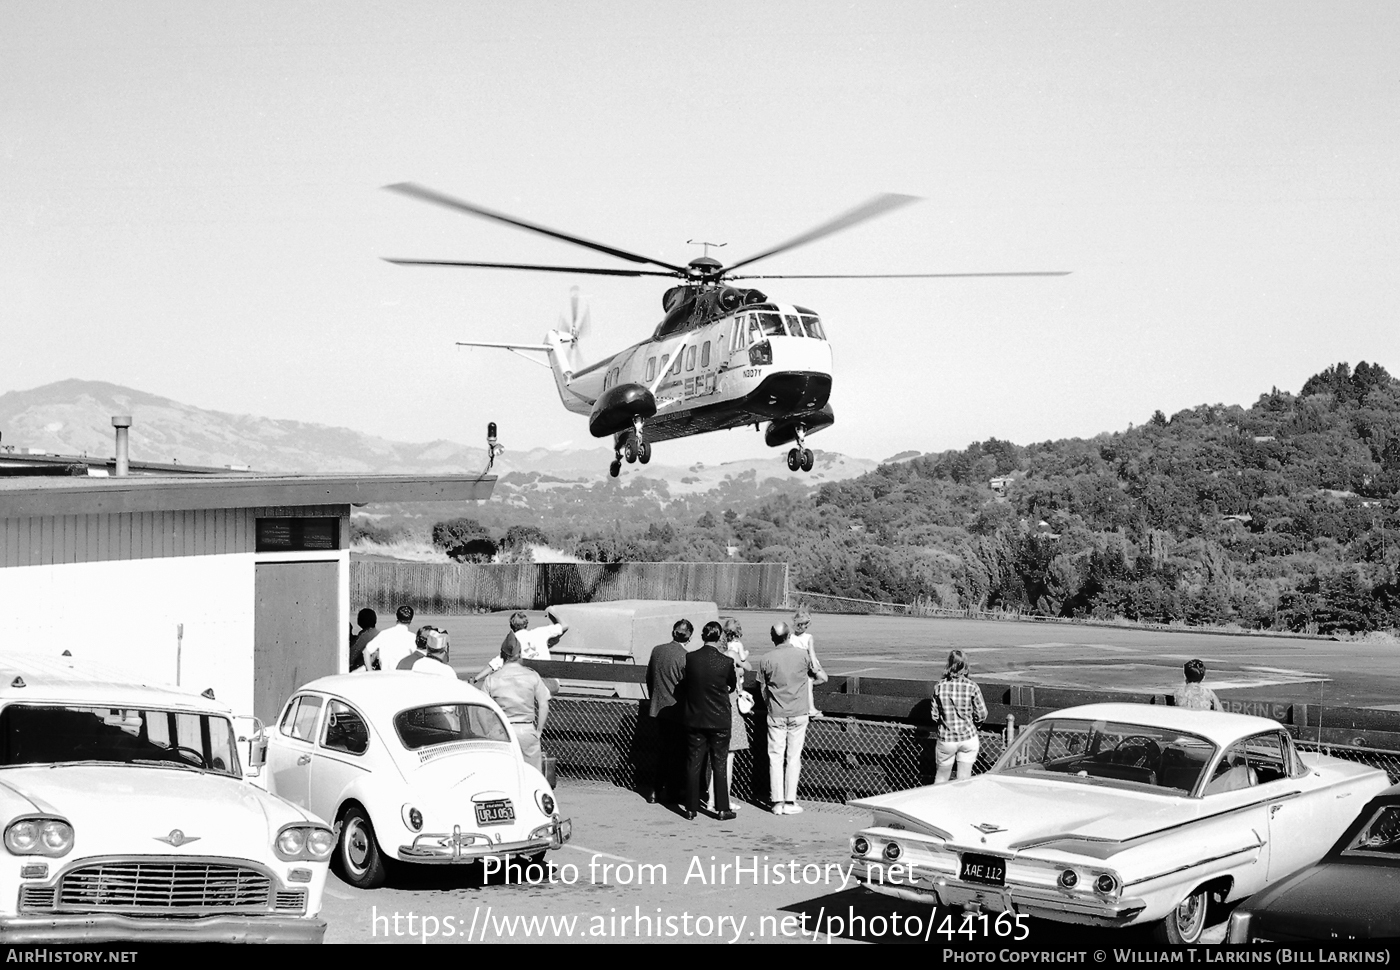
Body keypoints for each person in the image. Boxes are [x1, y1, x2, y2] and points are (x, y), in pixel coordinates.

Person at [758, 621, 826, 815]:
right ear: (789, 636)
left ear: (773, 638)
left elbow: (763, 688)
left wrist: (770, 704)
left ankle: (777, 801)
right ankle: (790, 800)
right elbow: (819, 675)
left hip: (776, 713)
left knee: (775, 757)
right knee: (793, 757)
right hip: (798, 711)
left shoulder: (766, 659)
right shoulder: (802, 655)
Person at [683, 621, 737, 821]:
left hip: (695, 717)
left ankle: (690, 807)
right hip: (719, 718)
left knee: (693, 763)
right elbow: (731, 684)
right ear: (719, 636)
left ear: (703, 636)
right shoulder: (726, 662)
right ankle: (722, 808)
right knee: (719, 764)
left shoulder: (691, 658)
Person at [481, 635, 551, 772]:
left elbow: (482, 710)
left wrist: (488, 732)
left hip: (501, 732)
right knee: (532, 775)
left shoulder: (492, 679)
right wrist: (538, 731)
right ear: (519, 654)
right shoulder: (532, 676)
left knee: (504, 774)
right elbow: (543, 704)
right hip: (526, 730)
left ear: (502, 655)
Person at [644, 619, 692, 804]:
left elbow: (649, 677)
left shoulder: (657, 650)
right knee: (677, 753)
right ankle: (672, 791)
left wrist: (654, 697)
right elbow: (687, 685)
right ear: (688, 637)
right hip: (677, 709)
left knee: (663, 750)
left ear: (673, 632)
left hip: (658, 707)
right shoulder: (685, 656)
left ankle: (655, 791)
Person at [709, 618, 749, 811]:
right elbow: (741, 673)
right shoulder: (731, 656)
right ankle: (722, 798)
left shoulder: (709, 660)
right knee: (728, 757)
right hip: (729, 709)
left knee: (713, 758)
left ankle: (710, 799)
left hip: (709, 711)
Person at [932, 650, 988, 783]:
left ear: (949, 665)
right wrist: (975, 724)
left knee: (941, 778)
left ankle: (938, 802)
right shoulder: (972, 686)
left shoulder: (939, 687)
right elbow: (982, 714)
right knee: (964, 779)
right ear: (966, 666)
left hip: (947, 738)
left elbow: (934, 715)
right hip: (968, 736)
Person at [472, 608, 569, 681]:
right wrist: (553, 612)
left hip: (531, 684)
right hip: (551, 681)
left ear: (511, 626)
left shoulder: (513, 642)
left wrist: (475, 679)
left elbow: (494, 664)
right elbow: (565, 626)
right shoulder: (540, 632)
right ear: (526, 624)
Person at [790, 608, 825, 717]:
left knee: (823, 678)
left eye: (805, 625)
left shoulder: (808, 637)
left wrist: (815, 666)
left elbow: (812, 653)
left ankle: (804, 688)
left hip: (809, 662)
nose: (803, 627)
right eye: (801, 625)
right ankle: (811, 708)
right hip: (800, 664)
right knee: (809, 681)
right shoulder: (790, 638)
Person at [366, 606, 416, 672]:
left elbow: (366, 651)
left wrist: (370, 671)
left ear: (397, 616)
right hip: (403, 676)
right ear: (411, 619)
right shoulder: (412, 637)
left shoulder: (383, 634)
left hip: (385, 675)